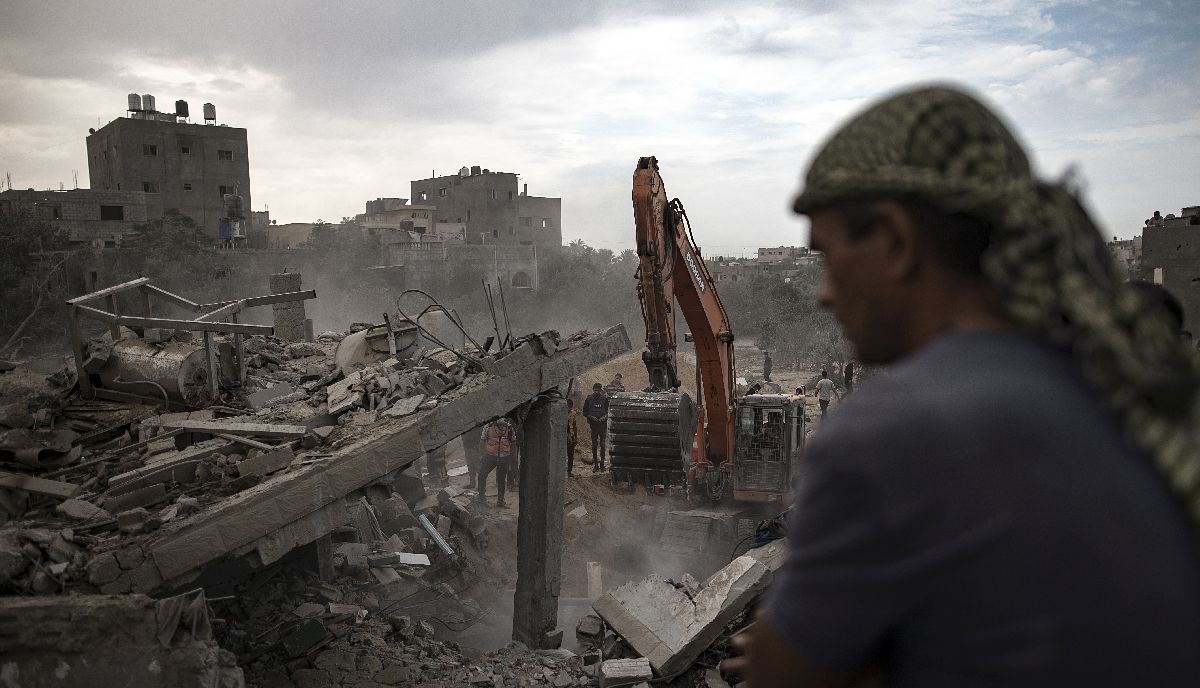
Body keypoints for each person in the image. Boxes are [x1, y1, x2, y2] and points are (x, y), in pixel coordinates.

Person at [723, 86, 1200, 687]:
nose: (821, 291)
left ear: (895, 241)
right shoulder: (1129, 390)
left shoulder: (889, 432)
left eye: (826, 253)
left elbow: (782, 678)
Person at [477, 416, 518, 508]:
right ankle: (481, 498)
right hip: (490, 456)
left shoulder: (510, 428)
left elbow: (513, 443)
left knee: (501, 480)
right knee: (482, 475)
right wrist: (481, 455)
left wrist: (513, 457)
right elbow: (482, 441)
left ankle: (500, 501)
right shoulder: (488, 427)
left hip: (504, 457)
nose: (502, 420)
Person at [582, 383, 609, 471]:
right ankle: (596, 465)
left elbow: (608, 412)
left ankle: (602, 465)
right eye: (595, 390)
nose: (596, 392)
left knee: (602, 445)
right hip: (593, 425)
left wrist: (603, 418)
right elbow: (584, 413)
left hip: (602, 425)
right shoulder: (589, 399)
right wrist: (591, 417)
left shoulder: (604, 399)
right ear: (593, 390)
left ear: (600, 390)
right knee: (594, 445)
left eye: (598, 390)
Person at [566, 398, 580, 474]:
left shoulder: (573, 413)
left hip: (571, 435)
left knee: (571, 454)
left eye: (570, 407)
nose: (569, 408)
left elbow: (574, 426)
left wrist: (576, 437)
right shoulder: (561, 414)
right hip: (562, 436)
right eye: (568, 407)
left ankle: (569, 471)